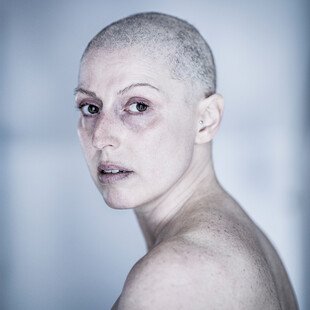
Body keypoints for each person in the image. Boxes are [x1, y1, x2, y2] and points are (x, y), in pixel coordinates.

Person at [74, 12, 298, 309]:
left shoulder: (177, 275)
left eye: (139, 106)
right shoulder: (236, 241)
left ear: (205, 120)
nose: (100, 136)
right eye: (90, 108)